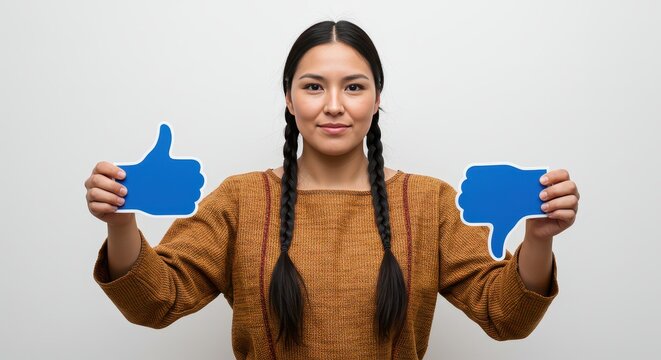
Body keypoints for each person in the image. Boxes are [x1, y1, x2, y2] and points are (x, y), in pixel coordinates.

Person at [84, 20, 580, 359]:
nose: (335, 105)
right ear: (289, 97)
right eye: (314, 86)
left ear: (378, 98)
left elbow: (505, 316)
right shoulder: (239, 200)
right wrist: (120, 221)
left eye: (355, 86)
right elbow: (155, 303)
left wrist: (539, 238)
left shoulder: (429, 203)